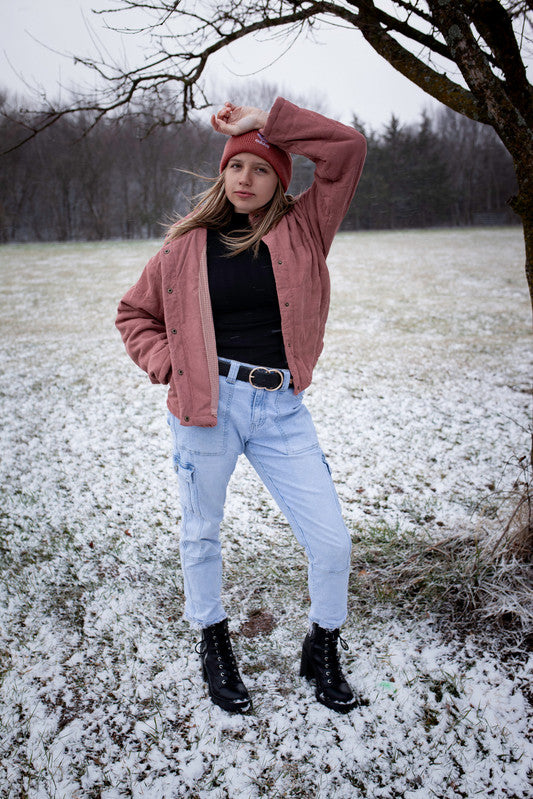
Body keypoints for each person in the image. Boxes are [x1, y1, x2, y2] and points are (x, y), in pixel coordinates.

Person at [116, 97, 367, 715]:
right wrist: (171, 366)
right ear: (221, 175)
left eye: (260, 168)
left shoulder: (305, 228)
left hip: (281, 409)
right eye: (236, 168)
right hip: (206, 408)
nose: (246, 180)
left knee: (331, 542)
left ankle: (323, 644)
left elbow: (346, 151)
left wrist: (266, 126)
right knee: (201, 534)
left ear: (281, 178)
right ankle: (213, 641)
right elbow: (133, 315)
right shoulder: (184, 248)